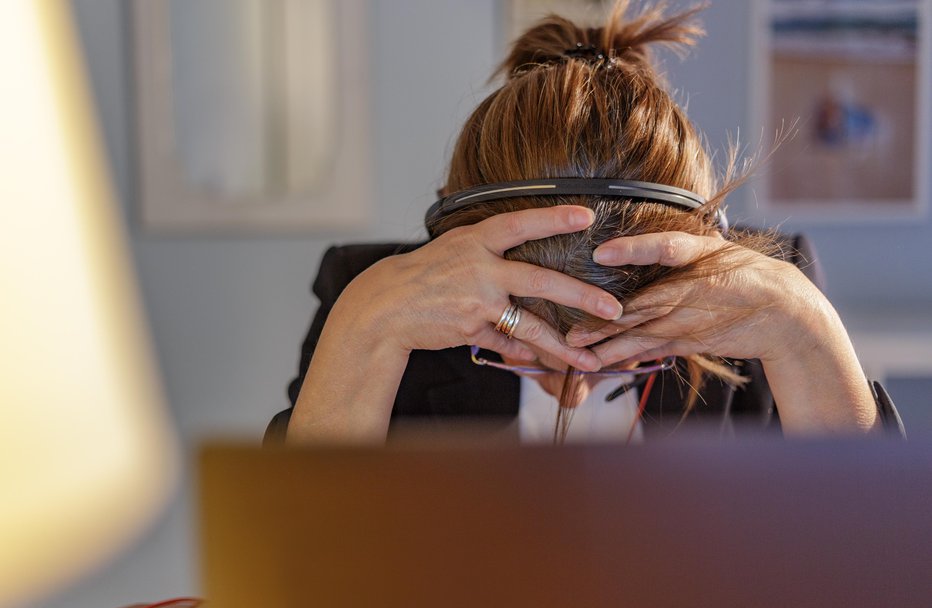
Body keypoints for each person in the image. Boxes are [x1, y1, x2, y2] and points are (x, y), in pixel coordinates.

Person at [266, 0, 903, 445]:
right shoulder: (370, 295)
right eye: (518, 345)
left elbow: (879, 578)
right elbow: (292, 577)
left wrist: (805, 333)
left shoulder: (768, 302)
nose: (573, 392)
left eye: (626, 353)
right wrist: (363, 329)